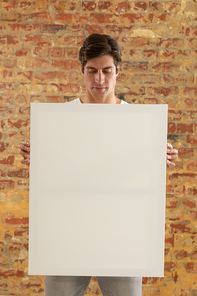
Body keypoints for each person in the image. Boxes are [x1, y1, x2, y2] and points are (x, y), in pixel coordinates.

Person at [19, 33, 178, 296]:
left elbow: (132, 180)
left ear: (118, 71)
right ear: (81, 71)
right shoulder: (59, 121)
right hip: (66, 234)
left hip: (122, 235)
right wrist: (38, 162)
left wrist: (157, 162)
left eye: (106, 71)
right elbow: (60, 178)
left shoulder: (138, 123)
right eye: (92, 71)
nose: (99, 79)